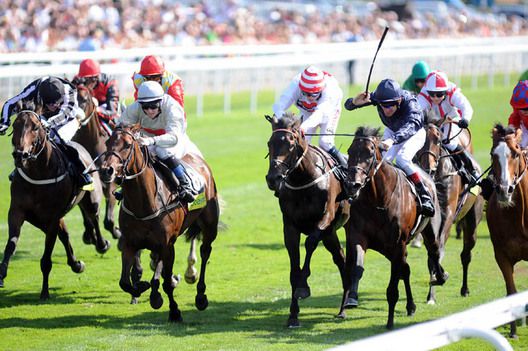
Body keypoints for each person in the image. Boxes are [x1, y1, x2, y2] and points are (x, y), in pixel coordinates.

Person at [344, 79, 435, 217]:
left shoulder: (411, 104)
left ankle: (424, 194)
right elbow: (348, 106)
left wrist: (393, 140)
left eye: (390, 105)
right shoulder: (380, 97)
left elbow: (411, 126)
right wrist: (354, 102)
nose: (386, 109)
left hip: (414, 133)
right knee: (381, 162)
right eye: (382, 105)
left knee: (402, 159)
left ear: (398, 101)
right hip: (392, 131)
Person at [0, 76, 93, 190]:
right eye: (52, 103)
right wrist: (4, 122)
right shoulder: (34, 88)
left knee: (60, 138)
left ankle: (82, 173)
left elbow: (67, 113)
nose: (56, 105)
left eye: (58, 102)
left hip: (69, 117)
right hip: (43, 116)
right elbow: (11, 103)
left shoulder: (69, 92)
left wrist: (48, 123)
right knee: (30, 136)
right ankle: (20, 168)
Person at [117, 81, 195, 203]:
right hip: (150, 136)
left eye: (153, 106)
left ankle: (185, 183)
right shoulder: (136, 107)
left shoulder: (172, 107)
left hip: (174, 138)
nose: (149, 111)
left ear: (160, 101)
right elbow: (121, 125)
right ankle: (126, 186)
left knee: (161, 150)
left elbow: (174, 138)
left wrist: (151, 141)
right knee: (136, 151)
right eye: (145, 107)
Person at [272, 65, 347, 168]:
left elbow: (319, 115)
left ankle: (345, 169)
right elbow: (279, 105)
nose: (308, 97)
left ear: (320, 90)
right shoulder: (295, 84)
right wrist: (282, 120)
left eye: (313, 94)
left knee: (325, 142)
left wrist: (302, 127)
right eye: (305, 93)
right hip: (306, 112)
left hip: (328, 112)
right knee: (301, 143)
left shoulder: (330, 91)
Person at [417, 70, 480, 185]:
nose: (435, 98)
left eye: (439, 94)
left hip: (451, 118)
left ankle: (472, 170)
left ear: (446, 91)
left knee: (448, 142)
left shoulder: (453, 92)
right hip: (434, 122)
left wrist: (465, 119)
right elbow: (416, 111)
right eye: (432, 94)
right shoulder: (424, 95)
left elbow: (467, 107)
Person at [481, 80, 528, 200]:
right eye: (520, 108)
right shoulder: (516, 115)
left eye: (527, 108)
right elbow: (513, 133)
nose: (523, 111)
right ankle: (492, 180)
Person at [74, 58, 120, 125]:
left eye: (87, 80)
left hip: (104, 108)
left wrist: (95, 110)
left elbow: (112, 113)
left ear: (95, 78)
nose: (84, 84)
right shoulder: (78, 81)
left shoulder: (110, 83)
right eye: (83, 79)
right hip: (86, 109)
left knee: (116, 125)